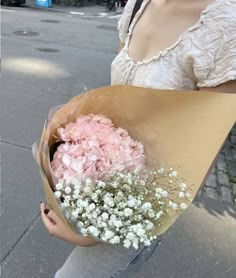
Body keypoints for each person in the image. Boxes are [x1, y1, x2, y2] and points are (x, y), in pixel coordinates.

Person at [41, 0, 236, 277]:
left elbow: (194, 167)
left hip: (146, 203)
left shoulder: (225, 24)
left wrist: (94, 234)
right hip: (104, 185)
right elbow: (120, 101)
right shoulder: (138, 4)